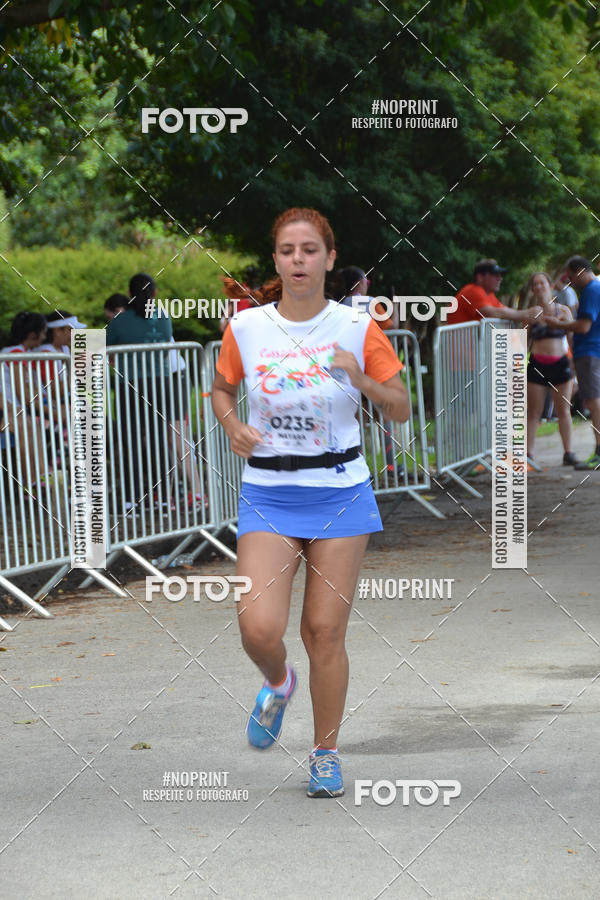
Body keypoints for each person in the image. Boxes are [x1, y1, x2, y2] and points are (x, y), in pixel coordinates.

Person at [211, 207, 409, 798]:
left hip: (340, 492)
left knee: (324, 630)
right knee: (257, 627)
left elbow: (399, 406)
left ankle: (325, 754)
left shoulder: (356, 327)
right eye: (287, 251)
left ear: (327, 257)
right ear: (276, 260)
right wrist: (229, 425)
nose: (298, 260)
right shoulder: (246, 328)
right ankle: (277, 682)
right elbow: (221, 389)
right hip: (270, 490)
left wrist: (364, 381)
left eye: (309, 250)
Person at [106, 273, 173, 509]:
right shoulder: (163, 316)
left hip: (130, 385)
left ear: (129, 293)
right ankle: (163, 497)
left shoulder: (119, 321)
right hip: (160, 384)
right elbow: (165, 349)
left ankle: (131, 499)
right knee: (158, 440)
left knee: (130, 441)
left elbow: (108, 351)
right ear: (154, 292)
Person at [544, 256, 600, 470]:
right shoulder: (594, 289)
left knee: (594, 403)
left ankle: (599, 451)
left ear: (579, 271)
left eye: (569, 277)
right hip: (592, 352)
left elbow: (584, 327)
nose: (569, 282)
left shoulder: (591, 291)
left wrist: (558, 324)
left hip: (590, 353)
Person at [525, 273, 578, 468]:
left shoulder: (563, 310)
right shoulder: (531, 313)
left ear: (550, 286)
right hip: (537, 365)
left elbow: (572, 338)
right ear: (533, 289)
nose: (539, 287)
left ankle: (568, 452)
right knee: (534, 412)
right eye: (535, 284)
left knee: (564, 410)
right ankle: (528, 454)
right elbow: (522, 341)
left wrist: (575, 364)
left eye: (542, 283)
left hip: (561, 364)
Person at [448, 259, 542, 325]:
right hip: (459, 352)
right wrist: (527, 313)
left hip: (472, 350)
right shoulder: (472, 291)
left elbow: (504, 310)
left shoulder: (489, 295)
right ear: (480, 277)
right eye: (495, 275)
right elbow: (495, 313)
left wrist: (529, 314)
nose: (500, 278)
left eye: (500, 275)